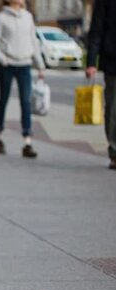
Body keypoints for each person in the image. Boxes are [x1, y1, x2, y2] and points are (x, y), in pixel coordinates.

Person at [0, 0, 44, 159]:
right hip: (7, 65)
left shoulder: (28, 17)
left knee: (26, 102)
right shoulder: (1, 18)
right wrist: (2, 59)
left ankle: (27, 141)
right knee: (4, 99)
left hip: (25, 64)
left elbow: (33, 42)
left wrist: (40, 64)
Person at [86, 0, 116, 170]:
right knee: (113, 109)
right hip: (113, 61)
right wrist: (91, 62)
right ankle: (115, 152)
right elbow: (96, 30)